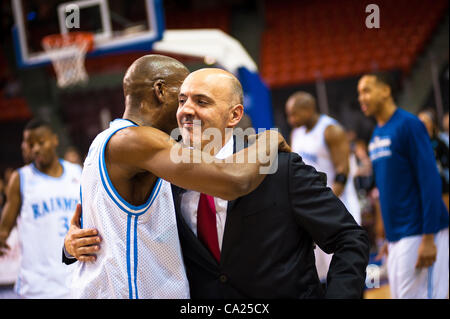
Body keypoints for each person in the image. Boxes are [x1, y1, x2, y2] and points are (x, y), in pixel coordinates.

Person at [66, 68, 370, 299]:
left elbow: (349, 239)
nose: (186, 110)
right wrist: (70, 246)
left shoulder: (281, 168)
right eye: (182, 100)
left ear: (234, 115)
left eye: (202, 101)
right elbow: (119, 228)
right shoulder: (160, 180)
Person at [65, 55, 287, 299]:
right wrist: (270, 139)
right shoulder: (134, 141)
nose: (187, 108)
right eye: (182, 97)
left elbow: (93, 231)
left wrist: (68, 247)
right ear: (160, 91)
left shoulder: (115, 144)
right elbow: (234, 180)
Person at [357, 72, 449, 299]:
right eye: (359, 93)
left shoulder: (410, 125)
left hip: (421, 232)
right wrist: (389, 235)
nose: (361, 98)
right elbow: (388, 190)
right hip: (397, 237)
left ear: (386, 91)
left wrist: (429, 237)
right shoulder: (376, 135)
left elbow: (430, 180)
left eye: (367, 90)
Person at [0, 118, 82, 298]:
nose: (35, 148)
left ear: (54, 140)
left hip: (75, 282)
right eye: (30, 144)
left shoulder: (77, 173)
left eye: (40, 142)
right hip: (36, 287)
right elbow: (4, 230)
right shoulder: (20, 178)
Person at [285, 91, 362, 282]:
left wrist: (323, 205)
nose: (290, 119)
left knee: (344, 271)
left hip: (337, 206)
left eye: (294, 114)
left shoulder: (330, 130)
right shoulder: (297, 133)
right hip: (314, 208)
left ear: (309, 109)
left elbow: (342, 174)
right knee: (321, 275)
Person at [418, 109, 449, 211]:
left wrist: (442, 164)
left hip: (441, 180)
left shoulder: (439, 140)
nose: (422, 125)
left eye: (424, 122)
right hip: (426, 184)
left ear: (431, 123)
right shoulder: (417, 143)